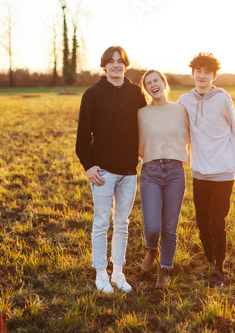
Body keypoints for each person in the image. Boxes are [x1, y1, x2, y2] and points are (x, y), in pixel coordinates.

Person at [76, 46, 146, 294]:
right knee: (100, 223)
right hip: (103, 172)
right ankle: (100, 273)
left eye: (120, 61)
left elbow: (144, 127)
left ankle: (118, 272)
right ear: (104, 66)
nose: (116, 65)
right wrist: (89, 166)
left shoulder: (136, 93)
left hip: (128, 172)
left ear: (126, 64)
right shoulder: (92, 94)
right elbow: (83, 136)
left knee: (122, 224)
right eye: (111, 61)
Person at [177, 53, 235, 288]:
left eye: (207, 72)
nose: (202, 76)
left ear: (214, 76)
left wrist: (227, 158)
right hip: (200, 171)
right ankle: (211, 261)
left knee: (217, 221)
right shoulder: (184, 100)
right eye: (198, 71)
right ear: (192, 73)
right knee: (202, 222)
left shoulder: (223, 99)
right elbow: (180, 130)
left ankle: (219, 270)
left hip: (223, 171)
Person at [138, 70, 190, 289]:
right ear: (146, 88)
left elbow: (191, 135)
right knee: (152, 227)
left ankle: (164, 270)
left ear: (164, 83)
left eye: (156, 81)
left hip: (175, 171)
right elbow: (134, 142)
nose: (153, 85)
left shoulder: (180, 110)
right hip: (150, 171)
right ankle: (152, 249)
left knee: (170, 227)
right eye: (148, 83)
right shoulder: (141, 113)